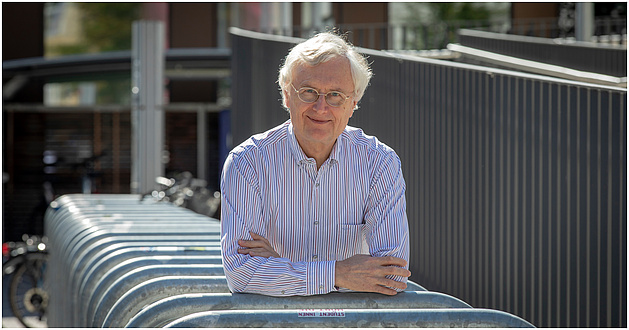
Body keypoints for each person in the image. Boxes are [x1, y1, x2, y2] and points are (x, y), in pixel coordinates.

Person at [220, 31, 411, 297]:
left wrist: (278, 267)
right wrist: (339, 273)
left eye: (335, 95)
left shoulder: (379, 163)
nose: (321, 108)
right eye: (308, 92)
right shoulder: (248, 163)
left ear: (353, 103)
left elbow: (391, 275)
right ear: (287, 95)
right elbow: (241, 273)